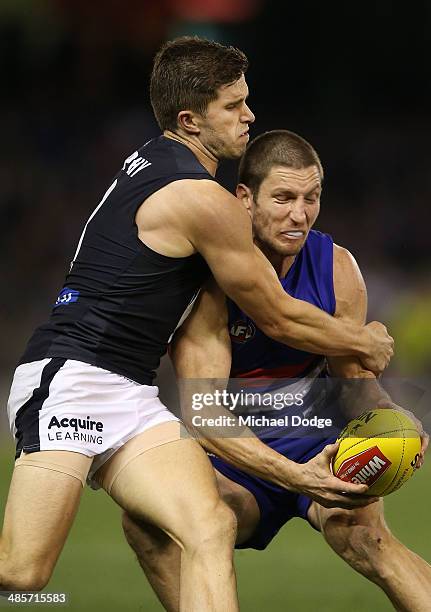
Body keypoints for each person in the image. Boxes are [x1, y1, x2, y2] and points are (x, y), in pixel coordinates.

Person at [1, 38, 392, 610]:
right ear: (190, 120)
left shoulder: (158, 162)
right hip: (71, 380)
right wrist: (365, 340)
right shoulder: (198, 196)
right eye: (233, 106)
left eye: (247, 102)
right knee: (24, 574)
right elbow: (277, 314)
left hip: (131, 392)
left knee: (208, 527)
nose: (249, 116)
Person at [122, 130, 430, 612]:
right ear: (244, 198)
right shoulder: (205, 280)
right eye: (284, 197)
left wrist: (396, 420)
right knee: (150, 525)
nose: (300, 214)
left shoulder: (336, 268)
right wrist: (292, 476)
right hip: (238, 451)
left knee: (370, 542)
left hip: (318, 438)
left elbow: (354, 385)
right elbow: (204, 412)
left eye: (312, 198)